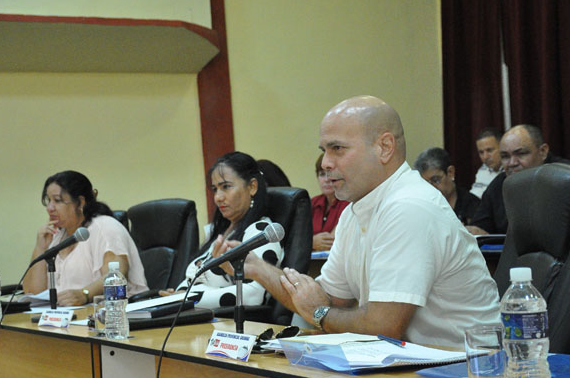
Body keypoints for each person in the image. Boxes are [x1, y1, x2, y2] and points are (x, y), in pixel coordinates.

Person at [212, 96, 500, 348]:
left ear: (384, 147)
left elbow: (383, 326)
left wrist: (318, 313)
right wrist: (257, 268)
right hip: (410, 368)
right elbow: (325, 299)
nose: (325, 163)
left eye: (337, 149)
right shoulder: (355, 210)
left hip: (466, 375)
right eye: (324, 150)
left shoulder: (409, 206)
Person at [161, 152, 284, 309]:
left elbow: (253, 294)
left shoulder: (262, 233)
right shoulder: (222, 232)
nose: (218, 197)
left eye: (226, 187)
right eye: (215, 189)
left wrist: (190, 299)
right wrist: (175, 297)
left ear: (252, 187)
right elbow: (193, 280)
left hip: (228, 326)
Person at [23, 170, 148, 305]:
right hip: (67, 318)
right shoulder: (58, 236)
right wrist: (40, 247)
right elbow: (34, 293)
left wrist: (85, 293)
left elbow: (117, 274)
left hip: (113, 316)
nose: (49, 208)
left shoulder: (106, 227)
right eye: (48, 201)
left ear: (80, 202)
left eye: (57, 201)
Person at [467, 124, 568, 235]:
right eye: (505, 156)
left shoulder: (565, 178)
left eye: (521, 154)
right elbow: (479, 228)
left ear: (543, 151)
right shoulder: (499, 184)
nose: (512, 163)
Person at [414, 147, 480, 224]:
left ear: (450, 172)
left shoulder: (473, 206)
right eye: (425, 183)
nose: (431, 188)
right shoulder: (420, 207)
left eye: (435, 180)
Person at [311, 153, 349, 251]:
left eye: (330, 173)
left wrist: (308, 242)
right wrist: (312, 242)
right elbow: (297, 237)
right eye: (322, 174)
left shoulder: (348, 202)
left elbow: (333, 242)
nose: (327, 180)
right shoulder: (312, 203)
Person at [469, 128, 502, 198]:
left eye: (489, 150)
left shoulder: (512, 168)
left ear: (502, 147)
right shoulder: (483, 169)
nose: (485, 157)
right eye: (481, 152)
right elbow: (475, 198)